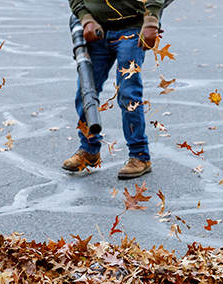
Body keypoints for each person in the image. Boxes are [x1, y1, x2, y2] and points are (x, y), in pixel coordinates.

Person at [63, 0, 166, 179]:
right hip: (96, 29)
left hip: (132, 30)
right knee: (85, 92)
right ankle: (89, 150)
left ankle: (139, 156)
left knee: (128, 93)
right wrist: (86, 19)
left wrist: (151, 21)